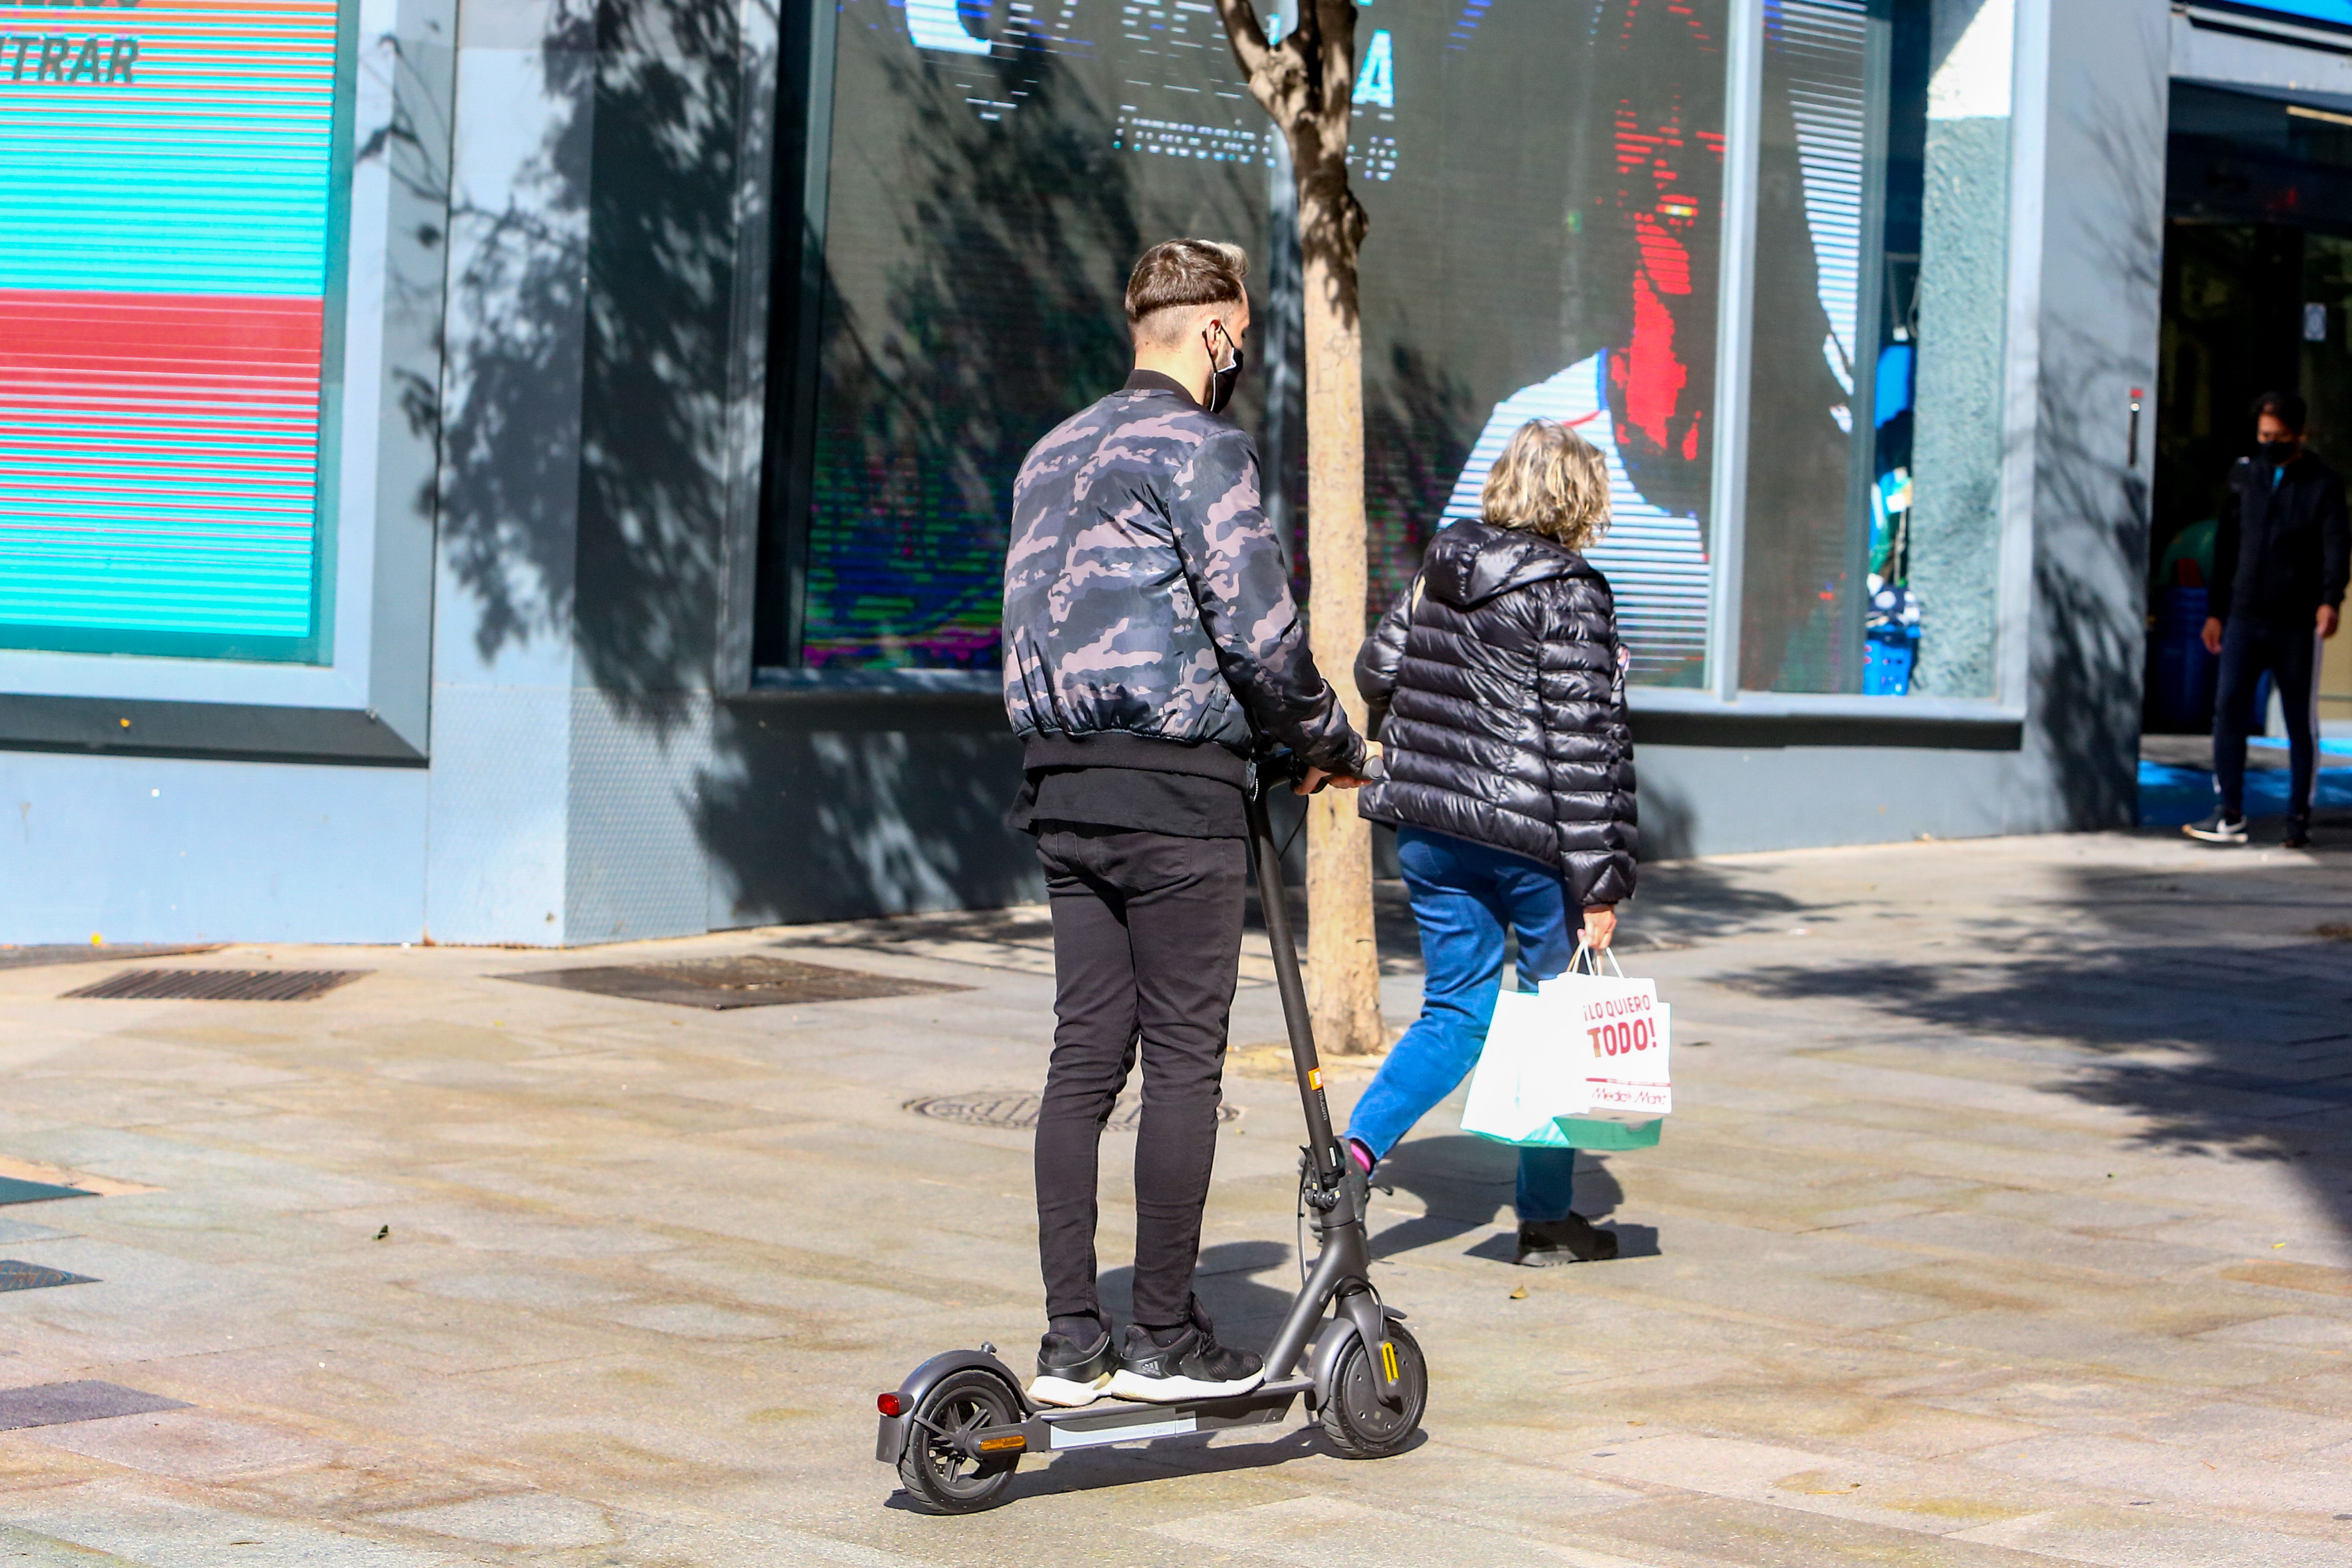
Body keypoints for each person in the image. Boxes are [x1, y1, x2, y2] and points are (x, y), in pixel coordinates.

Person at [999, 239, 1371, 1407]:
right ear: (1216, 334)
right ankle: (1161, 1331)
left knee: (1081, 1060)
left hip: (1062, 789)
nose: (1244, 356)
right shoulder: (1206, 450)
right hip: (1173, 800)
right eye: (1243, 337)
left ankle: (1071, 1344)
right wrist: (1324, 742)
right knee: (1181, 1065)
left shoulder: (1049, 451)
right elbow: (1258, 633)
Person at [1347, 419, 1639, 1267]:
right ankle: (1544, 1219)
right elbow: (1584, 744)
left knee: (1454, 1012)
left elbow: (1374, 670)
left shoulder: (1441, 568)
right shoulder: (1571, 592)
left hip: (1432, 829)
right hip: (1529, 840)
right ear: (1578, 498)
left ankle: (1350, 1160)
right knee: (1553, 1024)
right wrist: (1600, 883)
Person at [2185, 390, 2349, 850]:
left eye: (2278, 436)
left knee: (2300, 718)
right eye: (2263, 436)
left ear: (2298, 435)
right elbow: (2226, 546)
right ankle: (2230, 813)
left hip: (2295, 621)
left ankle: (2298, 816)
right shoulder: (2244, 477)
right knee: (2229, 709)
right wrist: (2214, 611)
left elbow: (2335, 544)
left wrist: (2328, 600)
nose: (2270, 444)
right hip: (2242, 615)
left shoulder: (2322, 484)